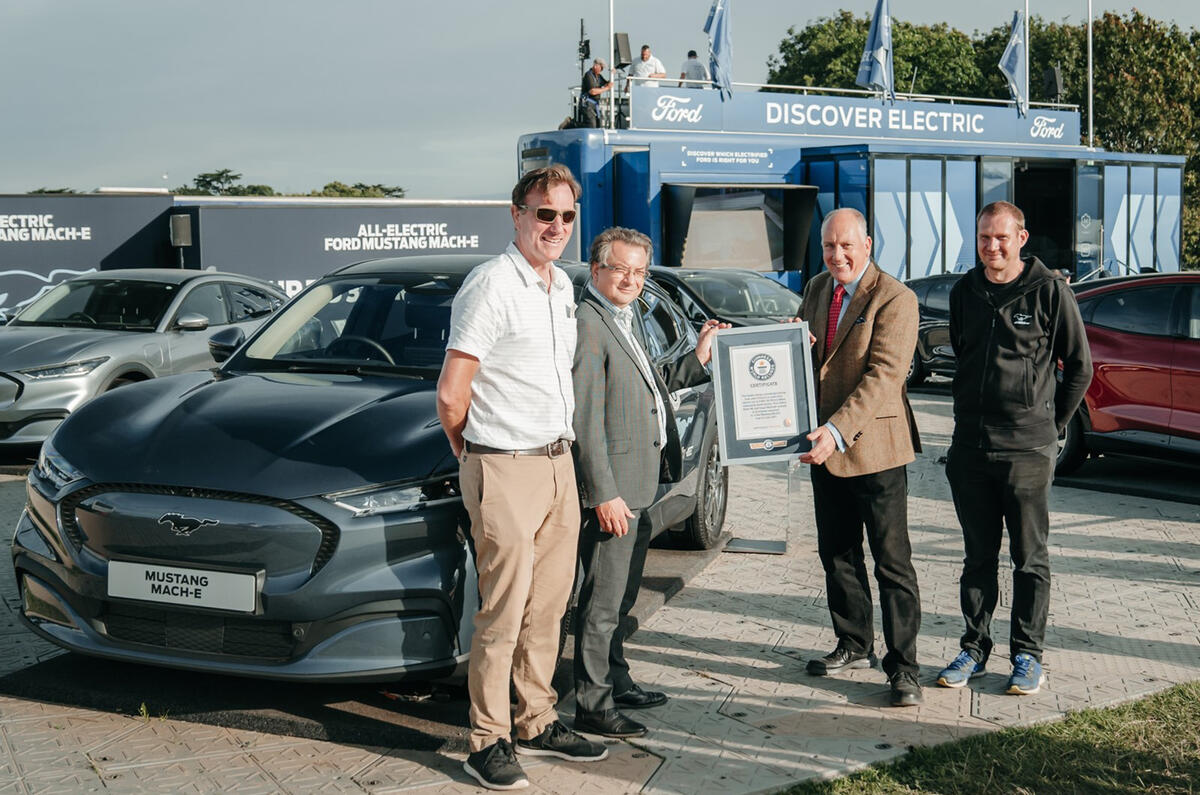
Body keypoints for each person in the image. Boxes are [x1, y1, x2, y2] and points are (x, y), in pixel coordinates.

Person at [438, 164, 608, 790]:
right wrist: (477, 456)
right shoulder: (490, 285)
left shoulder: (561, 286)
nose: (557, 226)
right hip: (505, 464)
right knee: (503, 612)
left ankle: (537, 717)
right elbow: (452, 395)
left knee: (549, 606)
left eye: (567, 216)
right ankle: (487, 739)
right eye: (545, 214)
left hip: (558, 463)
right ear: (516, 215)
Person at [571, 227, 728, 738]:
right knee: (600, 604)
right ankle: (593, 705)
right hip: (615, 492)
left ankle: (615, 680)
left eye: (639, 271)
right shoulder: (589, 324)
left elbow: (651, 387)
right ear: (597, 270)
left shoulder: (627, 316)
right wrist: (603, 493)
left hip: (641, 485)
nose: (631, 280)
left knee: (620, 597)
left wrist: (700, 355)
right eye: (620, 270)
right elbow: (586, 420)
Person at [936, 201, 1092, 696]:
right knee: (977, 558)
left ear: (1021, 238)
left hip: (1028, 450)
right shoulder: (966, 292)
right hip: (971, 449)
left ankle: (1027, 655)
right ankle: (974, 650)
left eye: (1001, 237)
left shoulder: (1048, 291)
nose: (992, 246)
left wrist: (1050, 426)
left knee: (1029, 559)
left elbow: (1079, 367)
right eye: (984, 237)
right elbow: (965, 354)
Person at [796, 207, 924, 708]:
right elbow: (806, 358)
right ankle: (853, 644)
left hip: (875, 450)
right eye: (829, 246)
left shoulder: (896, 297)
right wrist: (793, 345)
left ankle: (904, 668)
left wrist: (835, 430)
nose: (838, 255)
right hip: (823, 452)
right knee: (838, 554)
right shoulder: (815, 290)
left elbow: (884, 376)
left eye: (847, 245)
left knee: (892, 564)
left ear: (867, 244)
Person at [580, 58, 611, 128]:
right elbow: (592, 91)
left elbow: (607, 84)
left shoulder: (599, 76)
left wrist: (612, 73)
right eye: (601, 68)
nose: (601, 70)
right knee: (592, 125)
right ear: (595, 66)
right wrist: (606, 88)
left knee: (598, 125)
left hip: (595, 104)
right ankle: (571, 124)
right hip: (587, 104)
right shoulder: (588, 75)